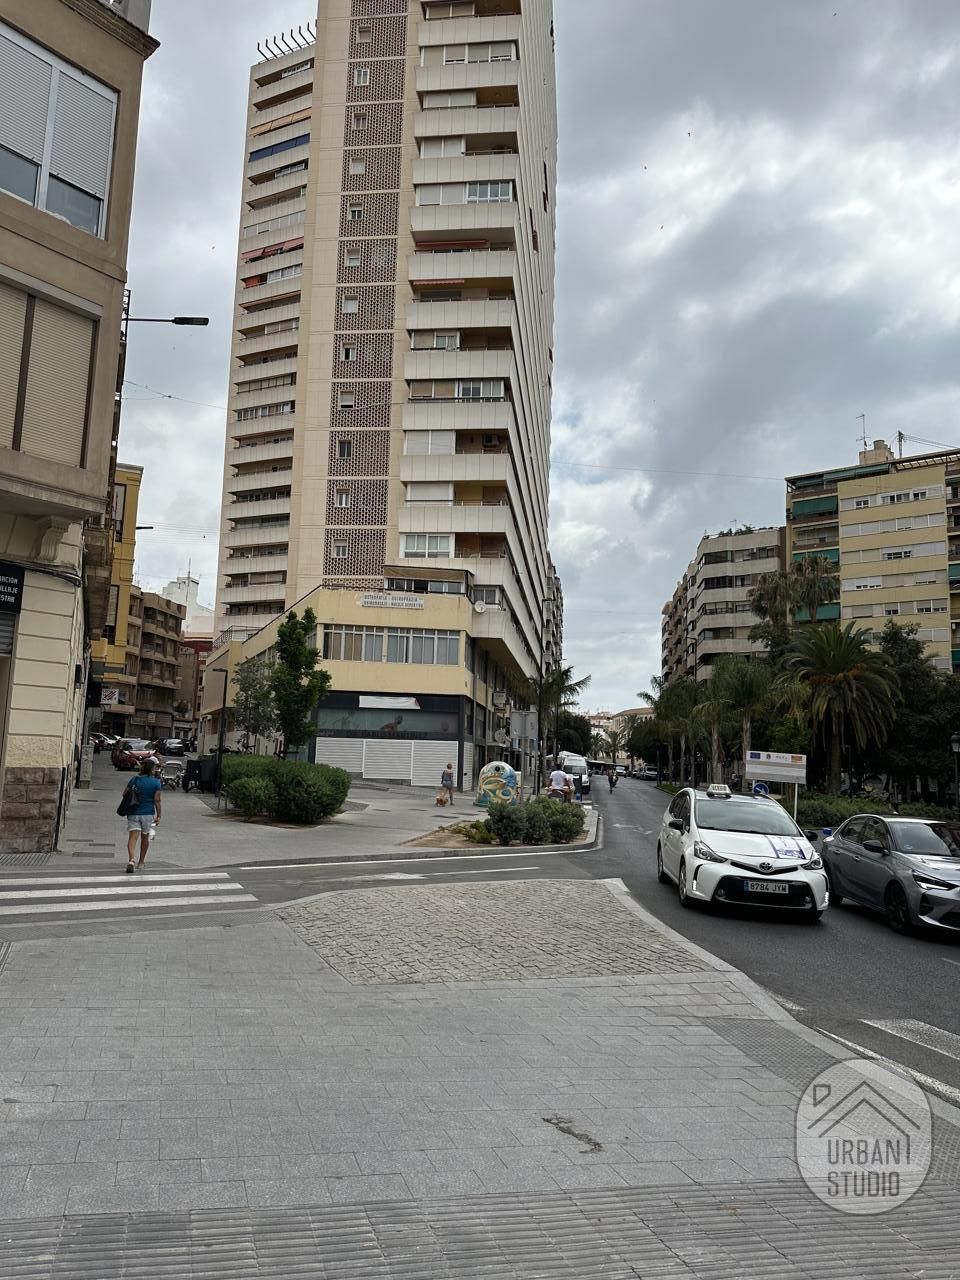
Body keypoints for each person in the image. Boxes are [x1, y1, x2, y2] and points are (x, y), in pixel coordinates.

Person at [124, 758, 162, 874]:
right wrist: (159, 815)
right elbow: (157, 800)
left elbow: (125, 793)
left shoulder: (135, 779)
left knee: (132, 837)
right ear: (152, 769)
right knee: (145, 837)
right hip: (148, 814)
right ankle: (141, 862)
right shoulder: (156, 782)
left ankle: (131, 860)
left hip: (134, 812)